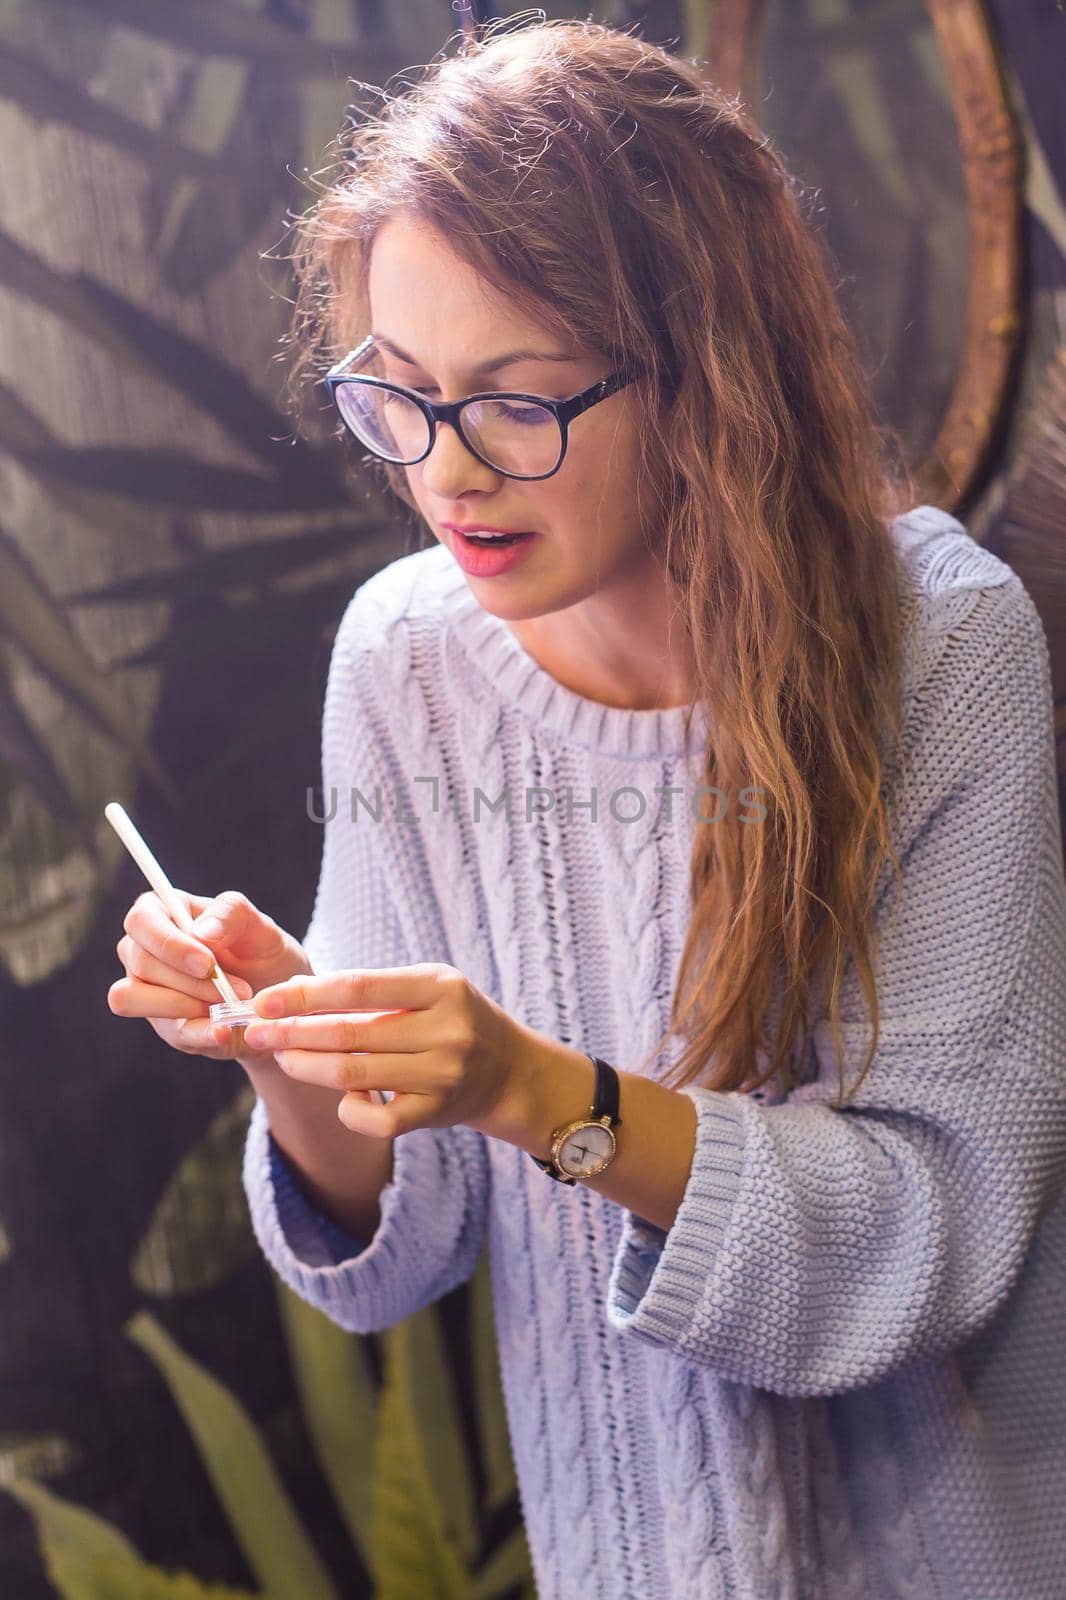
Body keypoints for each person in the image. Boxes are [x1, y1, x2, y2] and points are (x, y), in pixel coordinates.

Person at [108, 17, 1066, 1599]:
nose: (446, 475)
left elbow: (940, 1226)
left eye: (516, 401)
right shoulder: (405, 659)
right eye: (397, 396)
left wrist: (541, 1091)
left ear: (703, 374)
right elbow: (399, 1252)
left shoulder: (940, 644)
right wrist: (296, 1051)